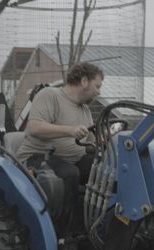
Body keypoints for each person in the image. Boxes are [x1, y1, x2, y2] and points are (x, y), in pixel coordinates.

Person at [17, 62, 103, 232]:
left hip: (72, 159)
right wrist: (70, 131)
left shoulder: (85, 109)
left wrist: (104, 143)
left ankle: (94, 226)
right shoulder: (50, 95)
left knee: (104, 170)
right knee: (70, 174)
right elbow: (34, 127)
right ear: (84, 81)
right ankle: (63, 236)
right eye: (97, 86)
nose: (99, 92)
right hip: (38, 157)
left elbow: (90, 144)